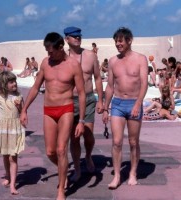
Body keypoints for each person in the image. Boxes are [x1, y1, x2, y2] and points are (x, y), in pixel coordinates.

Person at [20, 32, 86, 200]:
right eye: (47, 51)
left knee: (61, 149)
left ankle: (61, 191)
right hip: (49, 110)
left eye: (51, 51)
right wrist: (24, 109)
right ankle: (63, 171)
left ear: (60, 47)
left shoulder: (73, 65)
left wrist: (82, 121)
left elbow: (82, 93)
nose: (49, 55)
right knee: (50, 152)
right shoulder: (45, 63)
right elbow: (35, 88)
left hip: (66, 109)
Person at [102, 27, 148, 189]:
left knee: (133, 142)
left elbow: (144, 83)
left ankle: (133, 173)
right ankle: (117, 176)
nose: (118, 44)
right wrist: (106, 108)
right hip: (118, 104)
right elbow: (109, 86)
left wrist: (138, 104)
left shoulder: (141, 59)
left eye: (120, 41)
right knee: (116, 142)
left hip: (134, 103)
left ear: (129, 41)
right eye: (116, 41)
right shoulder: (113, 61)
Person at [64, 26, 104, 182]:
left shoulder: (90, 56)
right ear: (66, 39)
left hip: (87, 99)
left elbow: (98, 78)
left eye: (79, 36)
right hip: (69, 100)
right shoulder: (63, 57)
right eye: (73, 36)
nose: (77, 38)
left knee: (88, 135)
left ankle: (87, 155)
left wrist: (100, 100)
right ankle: (77, 168)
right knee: (74, 138)